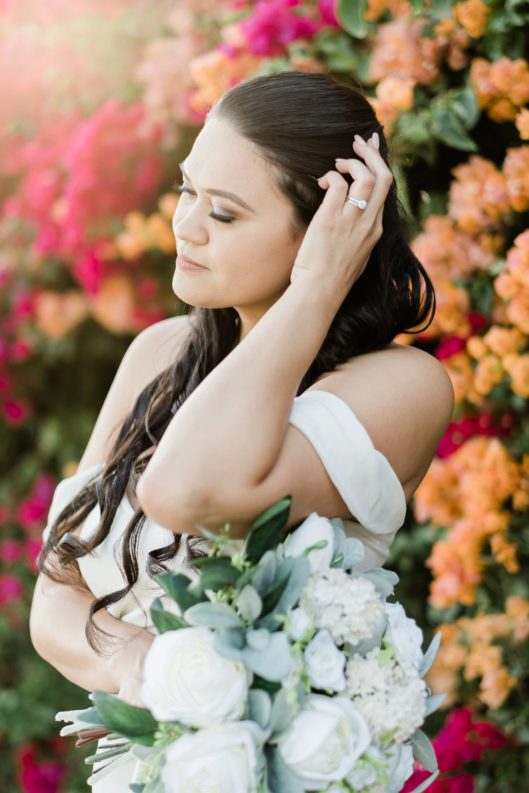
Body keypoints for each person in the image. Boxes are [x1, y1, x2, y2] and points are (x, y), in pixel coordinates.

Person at [30, 70, 454, 790]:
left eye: (223, 213)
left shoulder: (398, 385)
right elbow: (55, 597)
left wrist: (315, 287)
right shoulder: (158, 356)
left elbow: (185, 490)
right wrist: (134, 660)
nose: (185, 225)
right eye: (186, 190)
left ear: (326, 228)